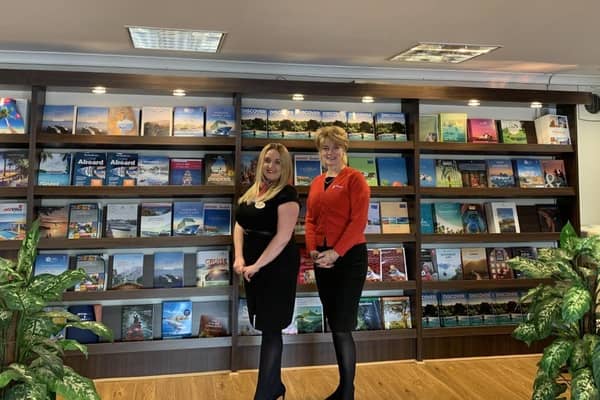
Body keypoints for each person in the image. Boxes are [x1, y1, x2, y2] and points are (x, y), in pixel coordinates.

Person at [305, 126, 370, 400]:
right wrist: (313, 251)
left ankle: (347, 392)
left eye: (335, 147)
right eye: (325, 148)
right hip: (323, 260)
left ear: (345, 149)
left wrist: (336, 253)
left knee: (343, 326)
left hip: (349, 259)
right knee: (335, 323)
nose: (330, 153)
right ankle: (344, 388)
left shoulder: (355, 179)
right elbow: (310, 219)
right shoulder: (317, 182)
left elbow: (359, 222)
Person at [234, 143, 300, 400]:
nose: (271, 166)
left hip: (276, 269)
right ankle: (275, 387)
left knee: (272, 328)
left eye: (277, 162)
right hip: (252, 268)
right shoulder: (253, 190)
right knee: (264, 325)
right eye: (267, 160)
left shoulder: (288, 195)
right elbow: (240, 225)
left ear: (285, 167)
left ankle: (265, 394)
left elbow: (283, 238)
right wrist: (240, 257)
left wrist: (257, 265)